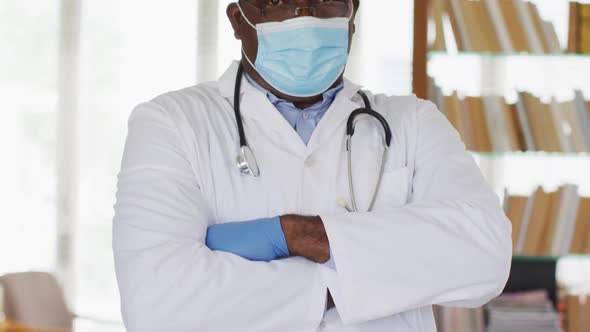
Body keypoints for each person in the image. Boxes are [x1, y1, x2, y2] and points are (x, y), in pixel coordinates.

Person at [112, 0, 512, 331]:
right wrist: (367, 280)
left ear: (352, 14)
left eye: (324, 0)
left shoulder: (412, 121)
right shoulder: (171, 122)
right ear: (239, 20)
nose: (303, 14)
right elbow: (157, 305)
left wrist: (294, 235)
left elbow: (485, 254)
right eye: (277, 2)